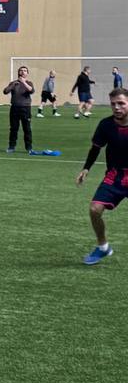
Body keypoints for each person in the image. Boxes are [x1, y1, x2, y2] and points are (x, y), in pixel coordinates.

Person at [76, 88, 128, 265]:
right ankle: (103, 247)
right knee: (94, 209)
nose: (117, 107)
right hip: (114, 175)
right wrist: (86, 169)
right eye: (113, 104)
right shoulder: (106, 125)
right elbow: (96, 148)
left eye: (121, 103)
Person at [3, 66, 35, 154]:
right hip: (14, 108)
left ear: (27, 73)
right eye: (21, 70)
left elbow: (31, 91)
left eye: (25, 71)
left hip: (25, 108)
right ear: (18, 72)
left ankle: (29, 148)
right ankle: (11, 147)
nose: (23, 72)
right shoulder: (13, 83)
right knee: (13, 128)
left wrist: (23, 82)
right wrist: (13, 85)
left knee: (27, 129)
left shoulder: (29, 83)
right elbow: (5, 91)